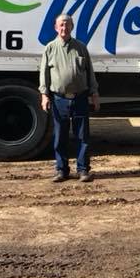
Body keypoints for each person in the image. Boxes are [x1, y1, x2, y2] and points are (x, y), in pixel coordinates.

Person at [39, 13, 100, 182]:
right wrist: (45, 95)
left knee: (82, 137)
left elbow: (90, 74)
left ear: (72, 27)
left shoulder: (81, 48)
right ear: (56, 28)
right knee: (60, 137)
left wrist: (94, 94)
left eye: (67, 25)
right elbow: (44, 74)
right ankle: (61, 170)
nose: (64, 28)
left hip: (80, 98)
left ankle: (83, 170)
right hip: (59, 100)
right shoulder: (50, 48)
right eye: (61, 25)